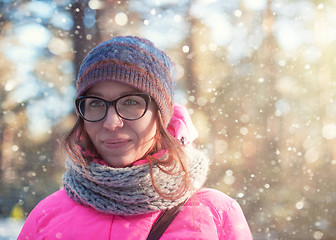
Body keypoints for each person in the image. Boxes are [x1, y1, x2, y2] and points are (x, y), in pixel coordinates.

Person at [18, 36, 253, 240]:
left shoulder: (216, 214)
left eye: (131, 102)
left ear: (163, 114)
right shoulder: (46, 216)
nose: (111, 123)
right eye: (96, 104)